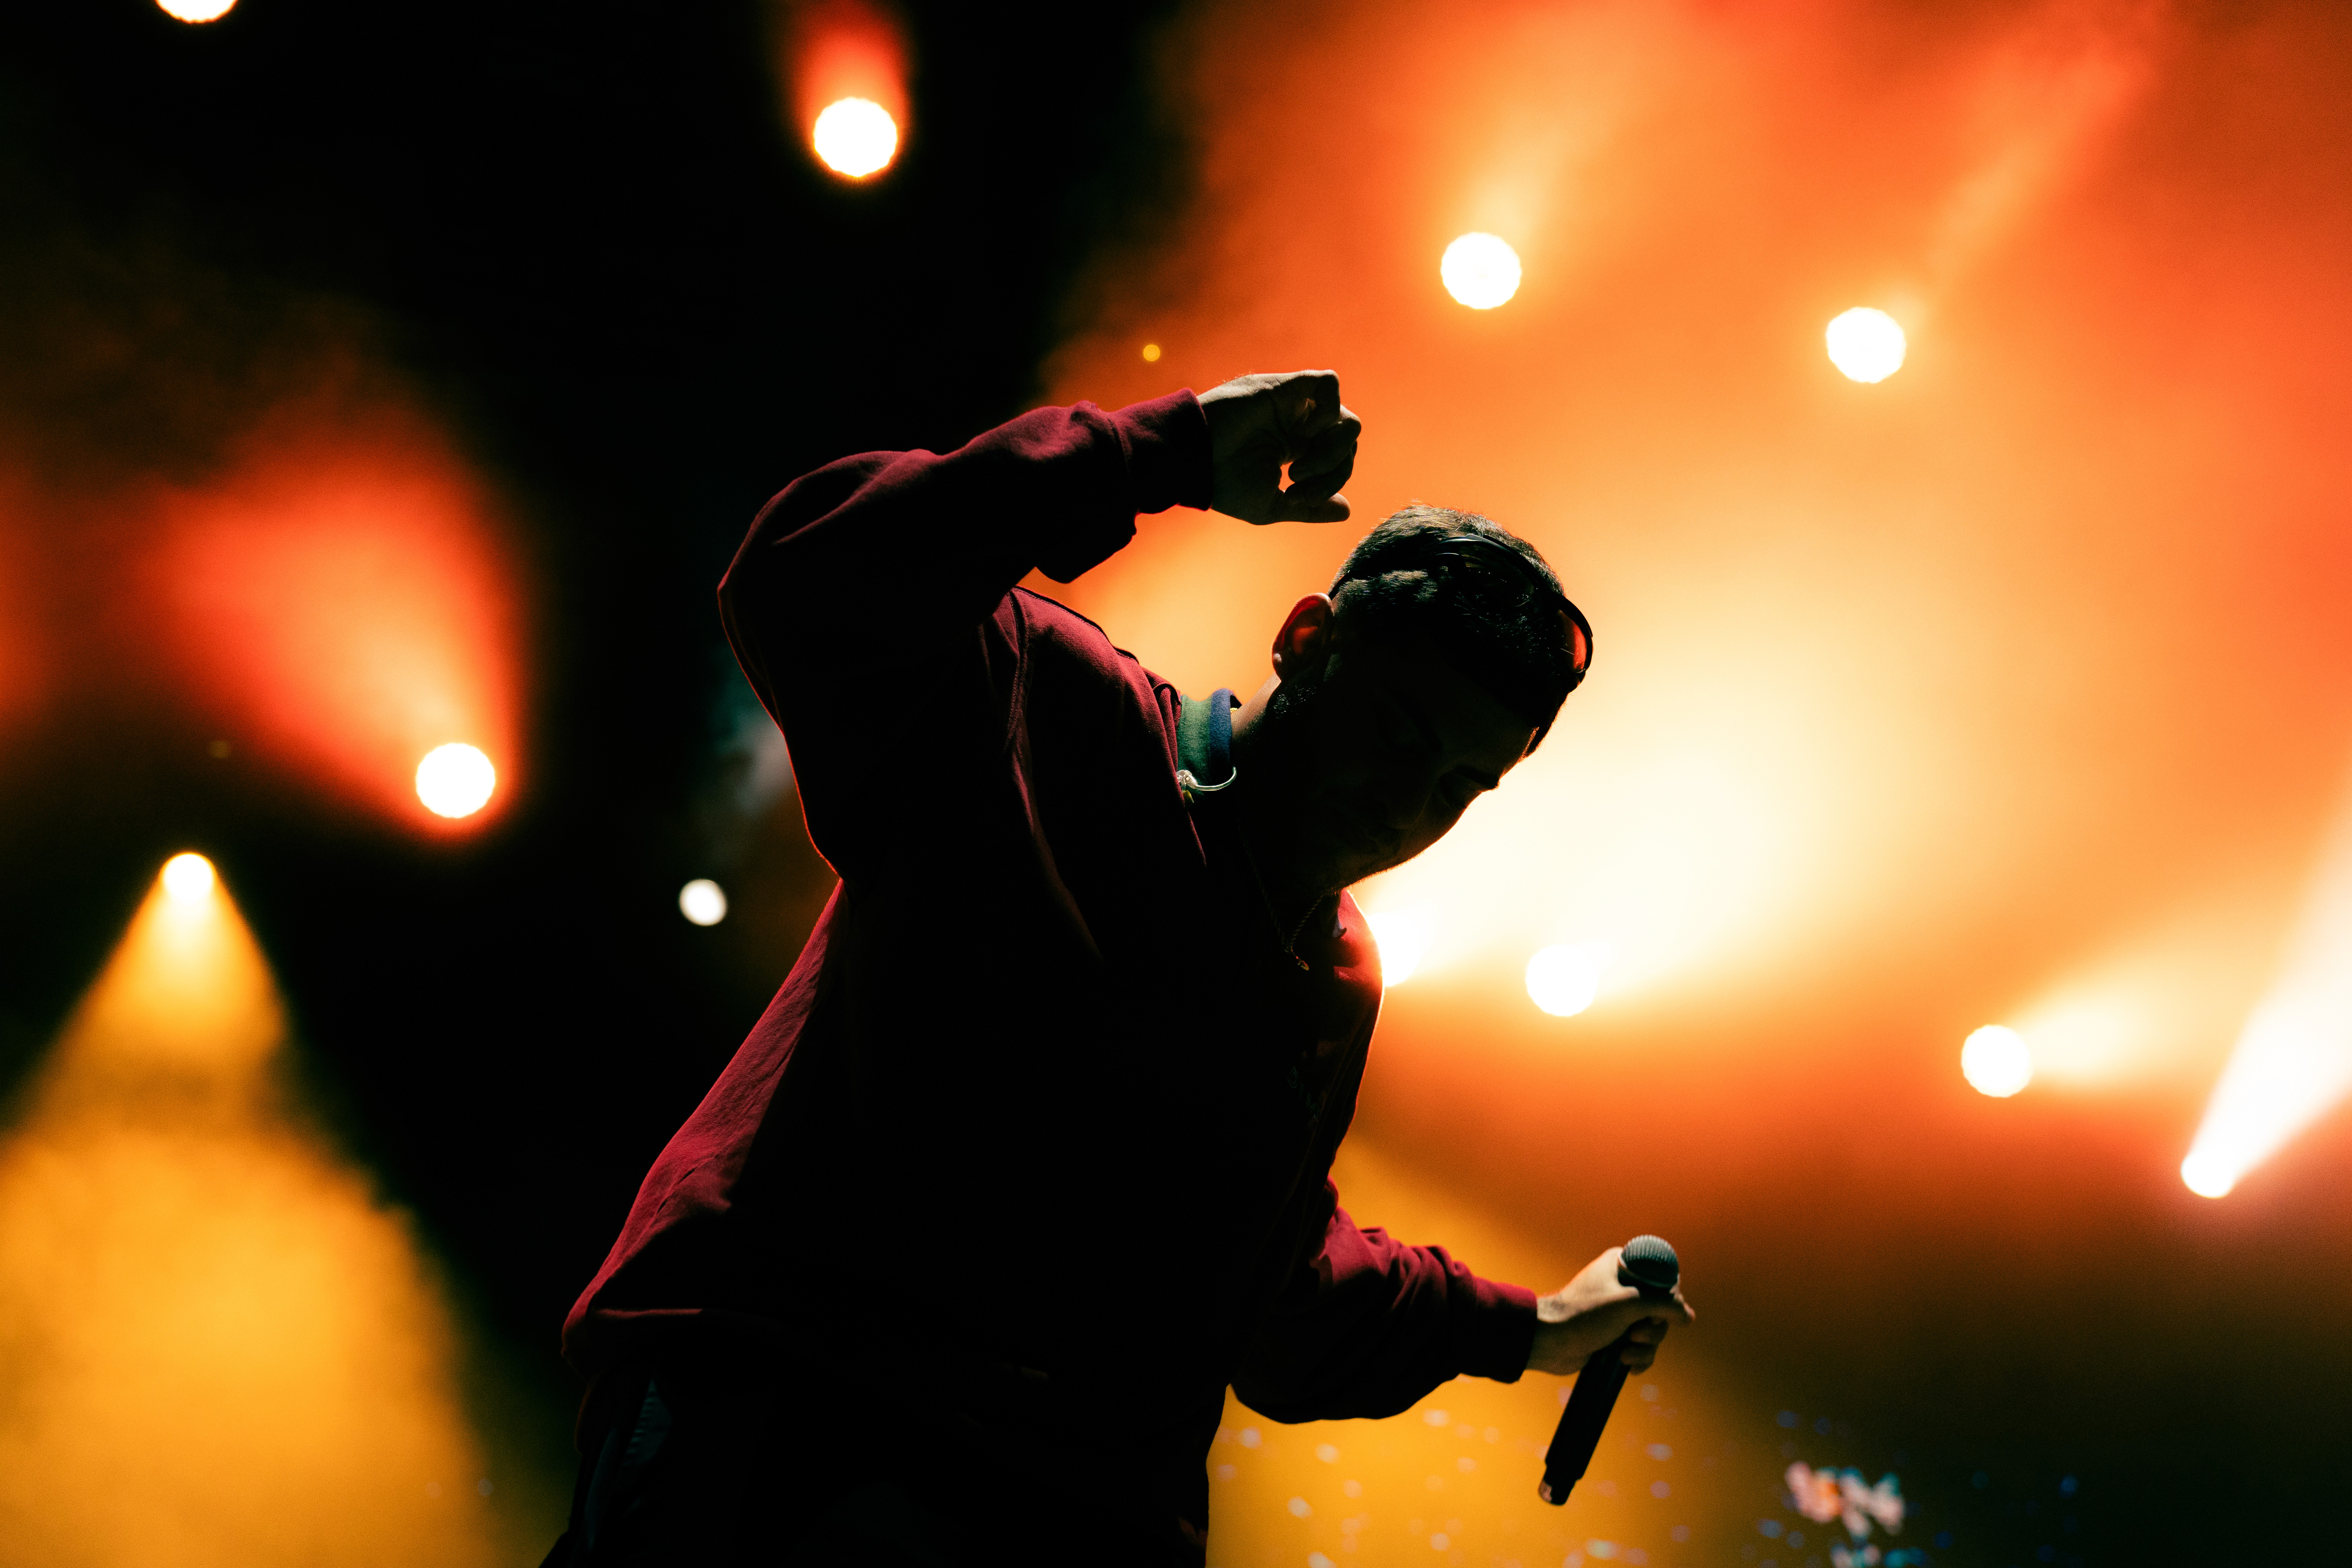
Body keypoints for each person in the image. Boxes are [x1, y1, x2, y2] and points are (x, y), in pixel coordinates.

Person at [546, 370, 1694, 1567]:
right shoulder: (1060, 708)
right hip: (812, 1414)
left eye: (1464, 785)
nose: (1413, 803)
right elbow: (808, 578)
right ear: (1309, 640)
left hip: (1071, 1508)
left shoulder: (1335, 976)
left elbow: (1271, 1295)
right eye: (1400, 733)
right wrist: (1159, 455)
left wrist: (1538, 1329)